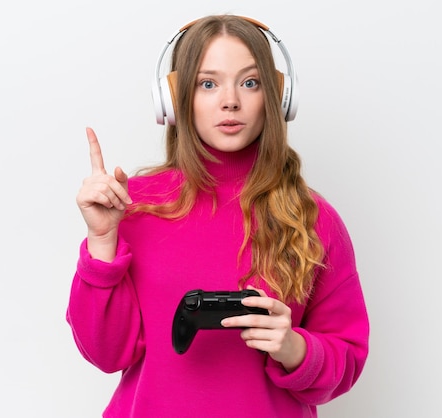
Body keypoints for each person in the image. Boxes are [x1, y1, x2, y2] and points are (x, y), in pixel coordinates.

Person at [66, 14, 369, 417]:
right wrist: (102, 242)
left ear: (277, 97)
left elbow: (346, 357)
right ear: (175, 100)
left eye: (250, 82)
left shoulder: (312, 218)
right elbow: (105, 354)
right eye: (208, 84)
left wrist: (295, 347)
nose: (231, 101)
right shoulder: (130, 208)